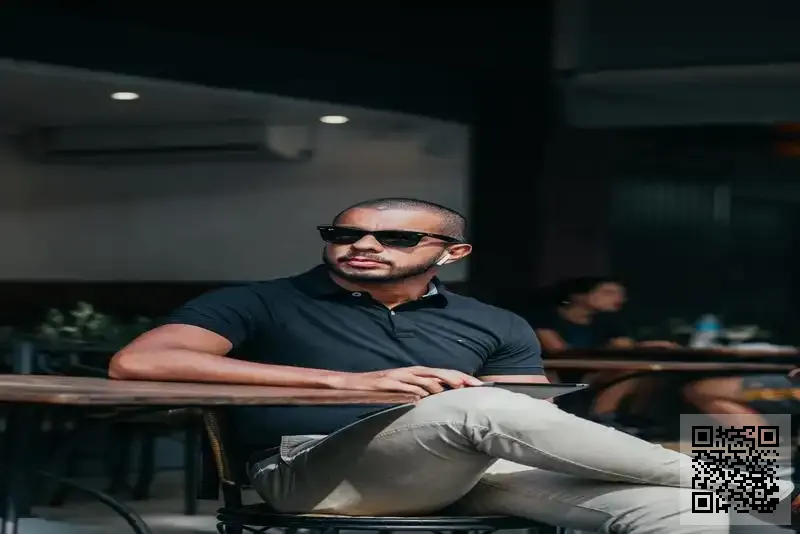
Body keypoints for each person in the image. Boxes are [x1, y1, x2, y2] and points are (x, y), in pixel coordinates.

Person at [109, 198, 791, 533]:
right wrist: (346, 383)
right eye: (346, 233)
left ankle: (753, 493)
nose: (363, 245)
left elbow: (531, 418)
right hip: (310, 470)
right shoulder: (260, 301)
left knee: (687, 515)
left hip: (478, 470)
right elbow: (140, 361)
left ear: (451, 253)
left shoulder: (492, 321)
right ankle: (771, 488)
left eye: (394, 237)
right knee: (474, 405)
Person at [530, 277, 677, 424]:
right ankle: (598, 418)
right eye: (609, 293)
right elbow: (558, 350)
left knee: (645, 374)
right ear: (579, 296)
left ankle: (610, 418)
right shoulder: (546, 317)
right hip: (555, 371)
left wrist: (649, 345)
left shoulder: (608, 320)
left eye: (621, 294)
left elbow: (624, 347)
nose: (619, 299)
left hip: (595, 371)